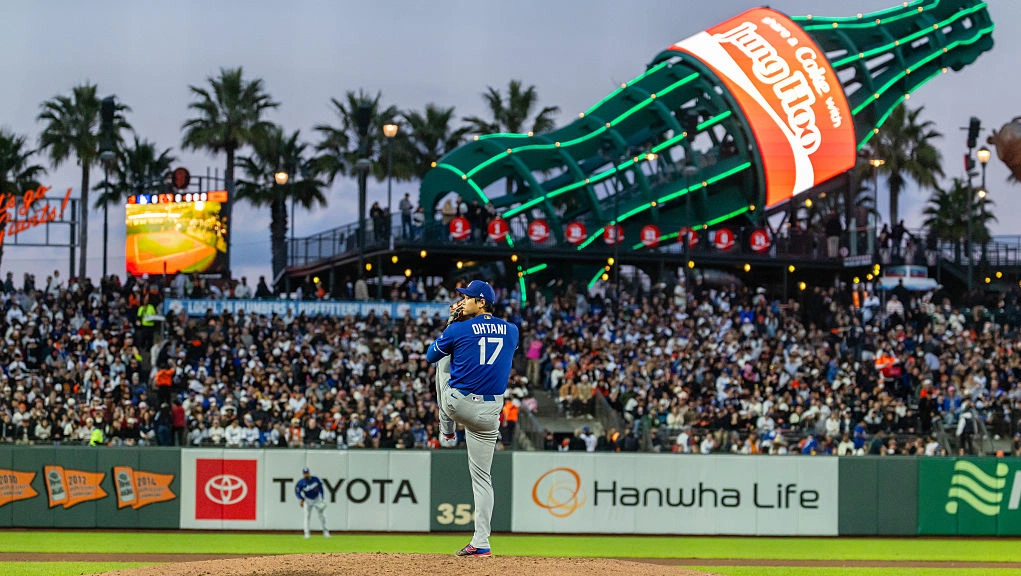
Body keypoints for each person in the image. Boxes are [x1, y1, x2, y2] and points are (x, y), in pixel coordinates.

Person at [426, 280, 519, 557]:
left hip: (460, 404)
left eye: (467, 298)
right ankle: (481, 541)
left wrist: (451, 324)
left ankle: (447, 431)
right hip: (491, 412)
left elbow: (430, 355)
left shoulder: (458, 327)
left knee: (442, 363)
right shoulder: (512, 330)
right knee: (482, 478)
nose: (462, 301)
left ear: (481, 302)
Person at [295, 466, 330, 539]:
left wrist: (322, 498)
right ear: (303, 474)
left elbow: (321, 488)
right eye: (305, 473)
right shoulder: (301, 482)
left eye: (307, 473)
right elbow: (297, 492)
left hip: (317, 499)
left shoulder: (316, 479)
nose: (306, 474)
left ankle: (326, 532)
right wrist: (300, 499)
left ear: (309, 473)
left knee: (322, 515)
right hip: (307, 500)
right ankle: (306, 533)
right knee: (307, 516)